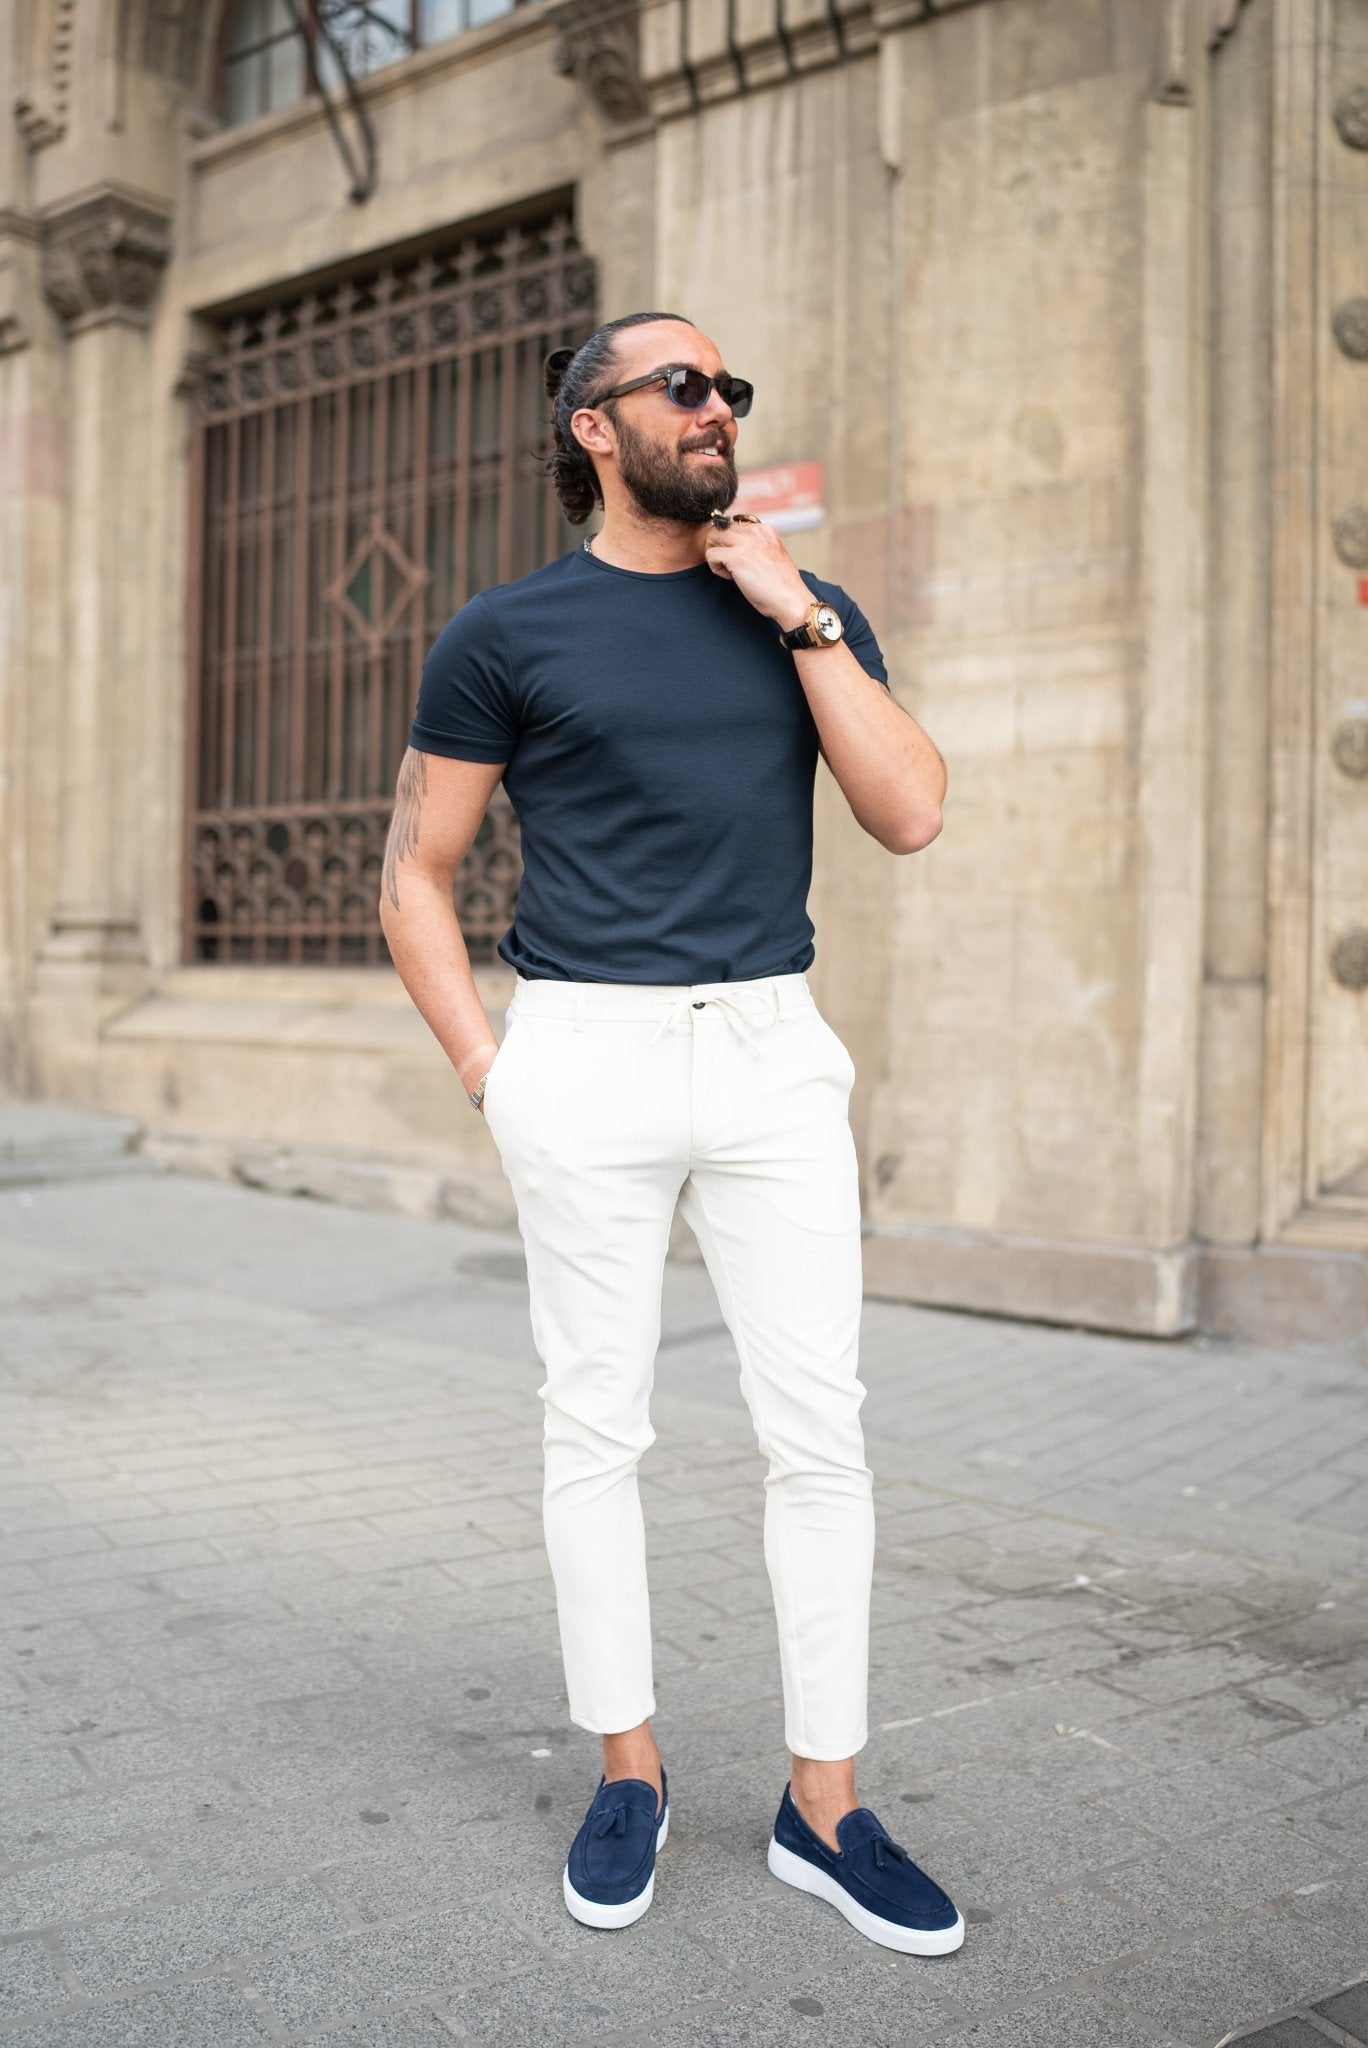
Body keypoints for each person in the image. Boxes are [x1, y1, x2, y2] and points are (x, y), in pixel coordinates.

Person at [379, 310, 963, 1956]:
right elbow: (417, 872)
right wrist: (495, 1072)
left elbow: (911, 813)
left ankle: (825, 1808)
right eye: (683, 388)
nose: (718, 411)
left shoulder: (799, 609)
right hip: (587, 1054)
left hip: (774, 1049)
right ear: (594, 426)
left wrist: (801, 623)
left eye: (731, 391)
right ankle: (627, 1770)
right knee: (596, 1429)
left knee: (820, 1434)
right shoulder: (509, 633)